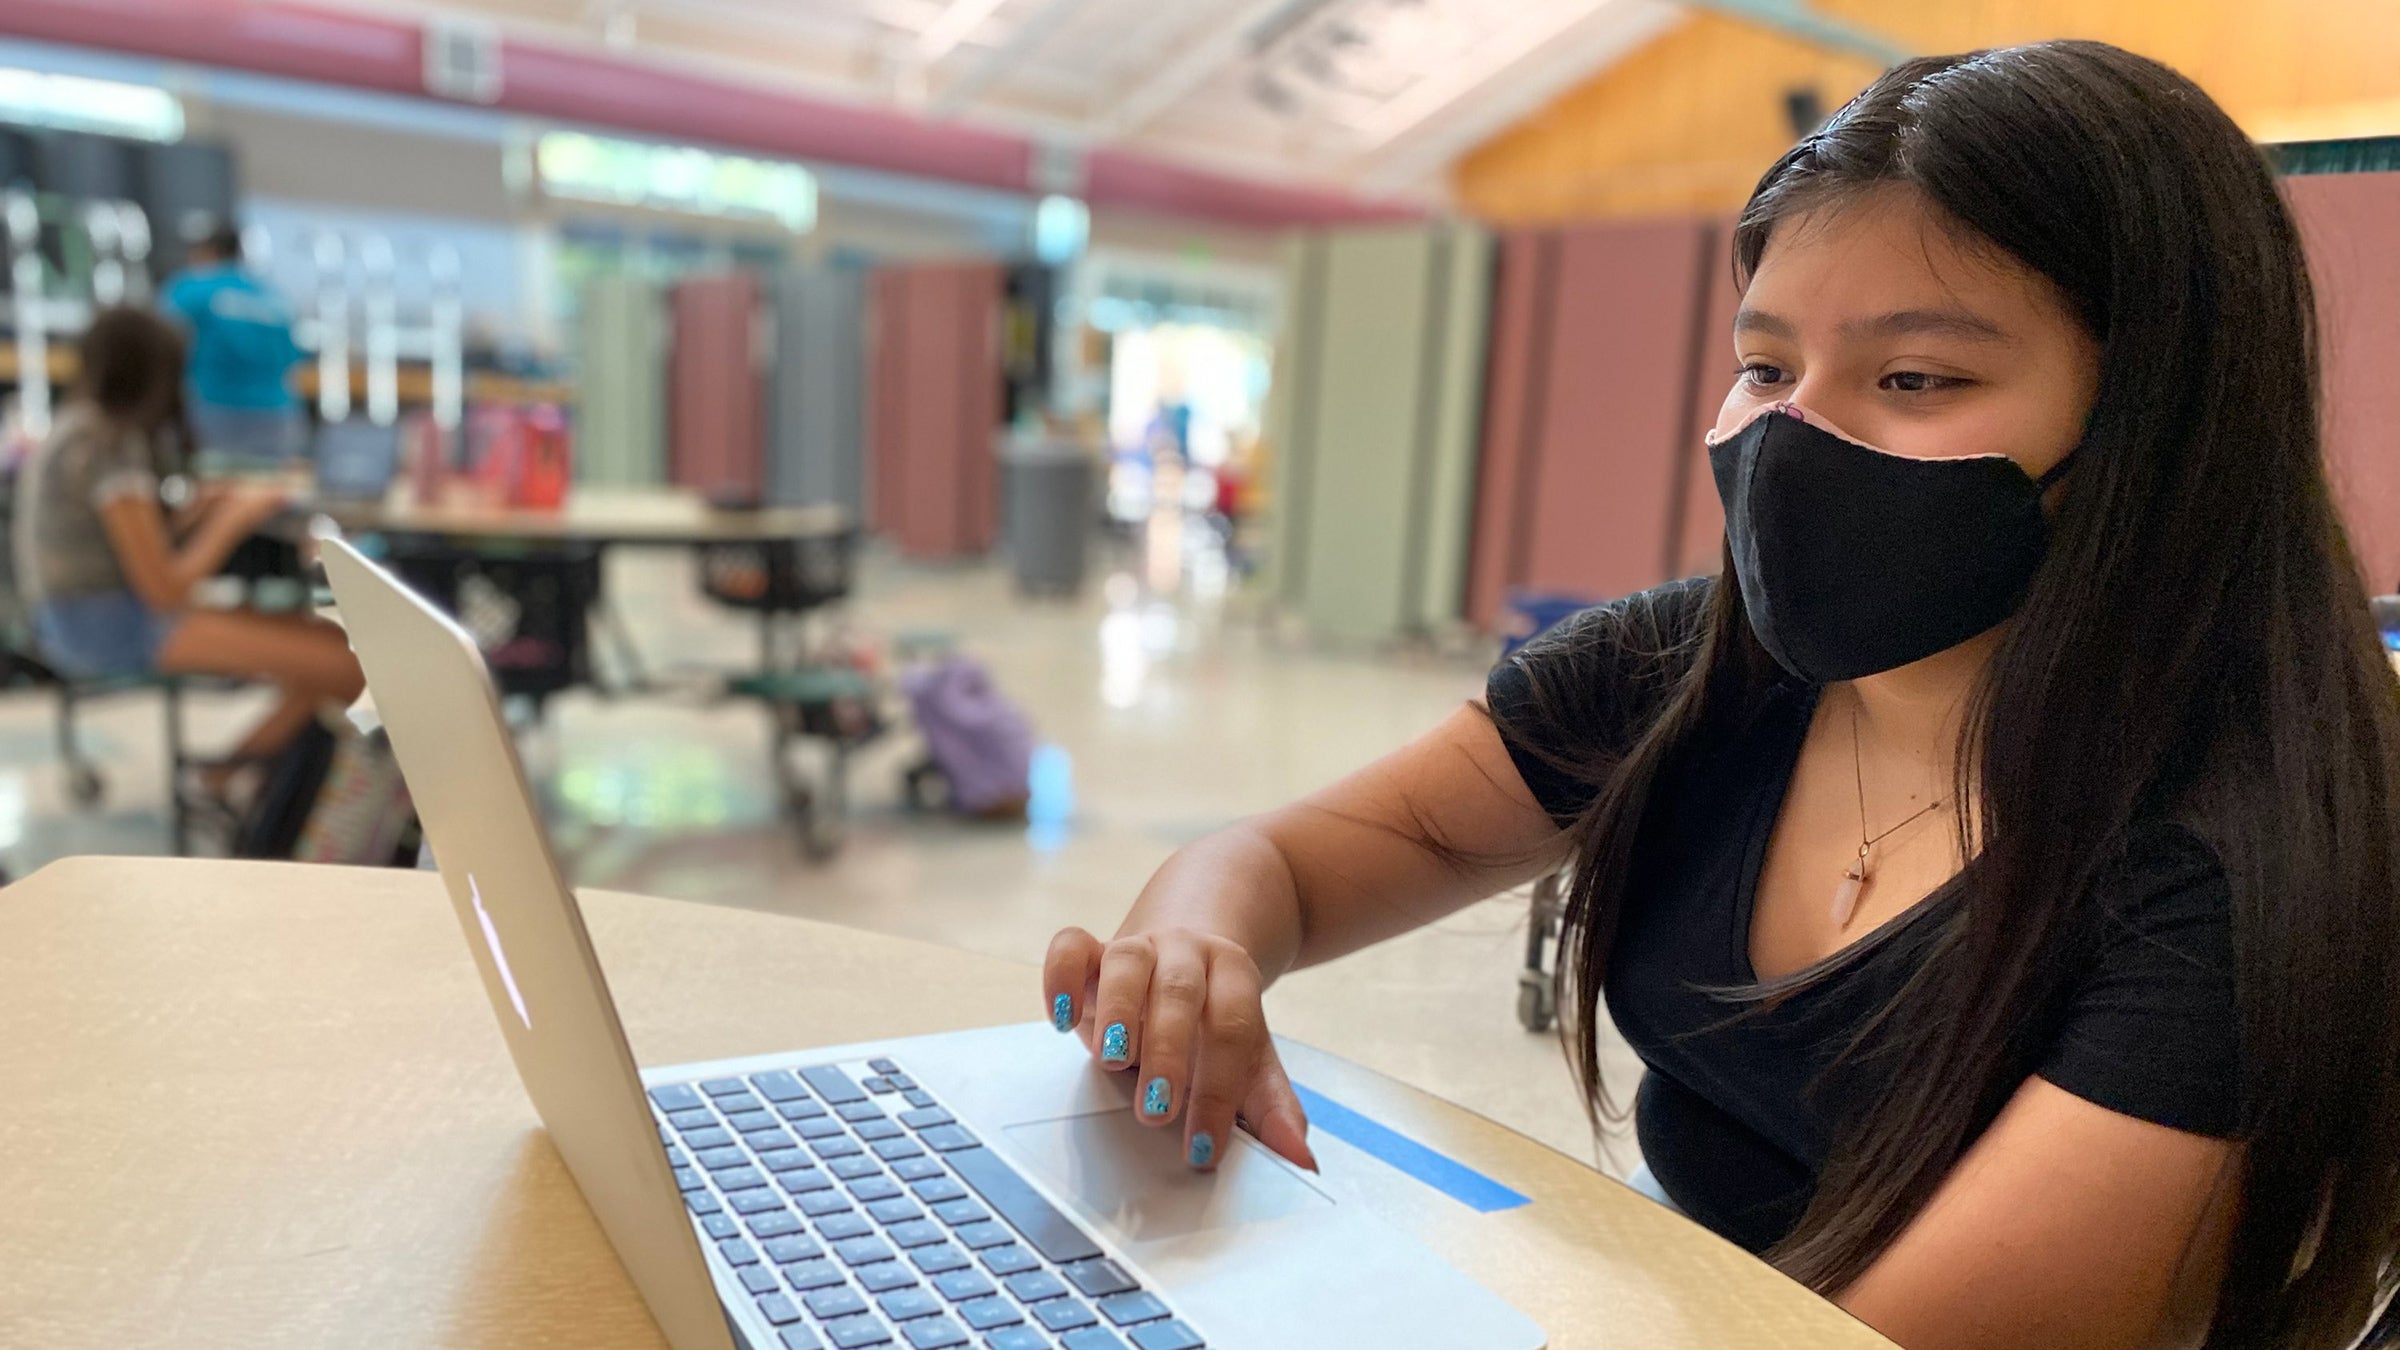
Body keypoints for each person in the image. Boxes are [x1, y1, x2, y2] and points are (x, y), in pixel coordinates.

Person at [1041, 41, 2400, 1350]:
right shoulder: (1688, 670)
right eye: (1765, 365)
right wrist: (1194, 948)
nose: (1795, 432)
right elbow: (1293, 856)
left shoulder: (2225, 875)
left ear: (2156, 429)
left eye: (1915, 376)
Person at [14, 307, 361, 781]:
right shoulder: (107, 443)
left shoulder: (80, 428)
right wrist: (233, 518)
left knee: (332, 648)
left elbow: (134, 549)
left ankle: (238, 789)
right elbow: (167, 592)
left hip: (79, 614)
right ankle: (232, 789)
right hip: (107, 623)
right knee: (347, 662)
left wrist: (200, 512)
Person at [159, 221, 304, 472]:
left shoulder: (191, 290)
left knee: (212, 493)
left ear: (206, 252)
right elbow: (294, 356)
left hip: (213, 411)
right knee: (264, 495)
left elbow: (153, 341)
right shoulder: (274, 297)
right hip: (276, 415)